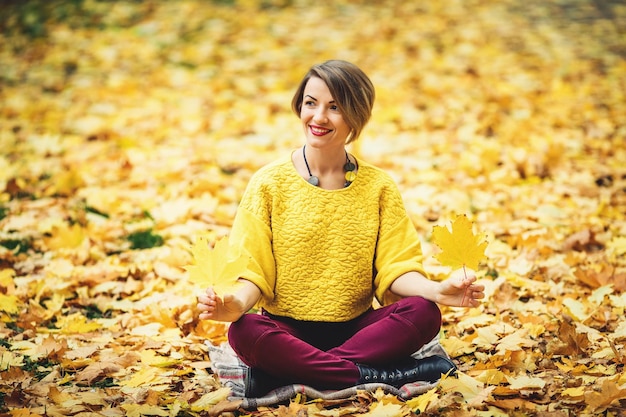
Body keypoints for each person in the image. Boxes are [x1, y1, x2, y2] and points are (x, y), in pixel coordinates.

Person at [197, 59, 485, 397]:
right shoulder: (267, 184)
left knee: (423, 312)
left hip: (361, 331)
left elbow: (396, 269)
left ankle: (285, 377)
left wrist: (437, 290)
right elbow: (252, 270)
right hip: (286, 330)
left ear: (356, 116)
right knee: (244, 331)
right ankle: (384, 375)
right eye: (310, 103)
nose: (318, 117)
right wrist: (234, 305)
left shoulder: (379, 187)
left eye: (335, 107)